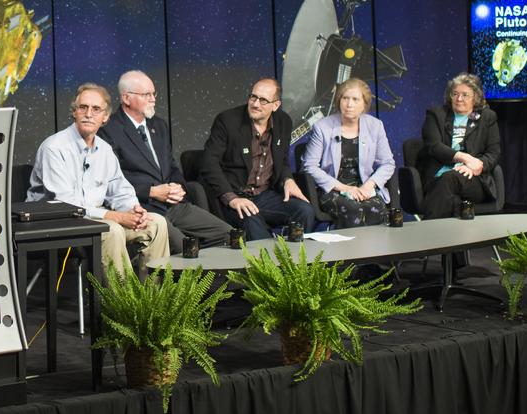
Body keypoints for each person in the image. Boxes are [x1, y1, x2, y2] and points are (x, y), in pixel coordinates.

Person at [27, 82, 169, 274]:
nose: (88, 114)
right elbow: (66, 204)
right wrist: (116, 216)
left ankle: (155, 300)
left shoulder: (104, 150)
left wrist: (135, 210)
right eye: (83, 108)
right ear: (74, 112)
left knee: (156, 224)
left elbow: (120, 190)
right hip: (57, 223)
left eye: (96, 109)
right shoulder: (54, 148)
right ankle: (125, 302)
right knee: (112, 230)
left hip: (95, 219)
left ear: (105, 117)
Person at [98, 70, 231, 253]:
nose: (153, 99)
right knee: (183, 246)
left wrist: (178, 187)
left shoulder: (158, 125)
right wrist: (151, 191)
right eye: (147, 94)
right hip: (142, 207)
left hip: (172, 204)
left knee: (227, 234)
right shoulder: (109, 130)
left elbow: (171, 164)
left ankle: (209, 278)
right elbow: (112, 179)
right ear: (126, 98)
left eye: (154, 93)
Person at [200, 78, 315, 240]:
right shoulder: (227, 121)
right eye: (253, 97)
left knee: (304, 211)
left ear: (276, 105)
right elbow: (208, 164)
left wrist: (288, 179)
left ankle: (296, 261)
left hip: (264, 196)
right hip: (234, 195)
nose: (255, 104)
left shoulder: (284, 122)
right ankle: (270, 264)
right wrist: (232, 198)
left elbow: (281, 161)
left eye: (263, 100)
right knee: (252, 219)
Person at [301, 78, 396, 228]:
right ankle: (350, 251)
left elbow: (387, 163)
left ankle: (376, 251)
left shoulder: (375, 126)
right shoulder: (322, 127)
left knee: (376, 208)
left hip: (363, 187)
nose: (349, 104)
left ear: (364, 104)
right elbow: (309, 166)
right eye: (345, 98)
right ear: (339, 100)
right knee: (353, 209)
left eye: (355, 99)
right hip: (333, 188)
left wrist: (369, 186)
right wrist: (344, 188)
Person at [417, 73, 501, 219]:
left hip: (473, 180)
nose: (459, 99)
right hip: (437, 177)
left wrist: (476, 165)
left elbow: (493, 153)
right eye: (455, 94)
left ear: (475, 97)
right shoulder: (436, 114)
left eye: (465, 94)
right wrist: (464, 157)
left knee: (450, 179)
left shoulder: (487, 117)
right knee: (453, 201)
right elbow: (433, 146)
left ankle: (425, 233)